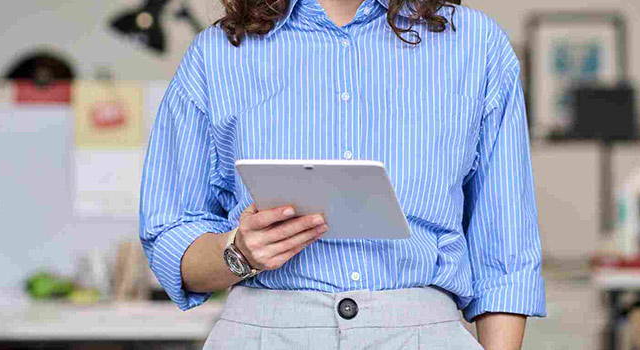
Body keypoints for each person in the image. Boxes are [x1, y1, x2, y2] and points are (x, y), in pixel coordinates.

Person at [139, 0, 545, 348]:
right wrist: (239, 253)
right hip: (263, 333)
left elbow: (505, 258)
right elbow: (169, 238)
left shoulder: (476, 45)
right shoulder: (216, 54)